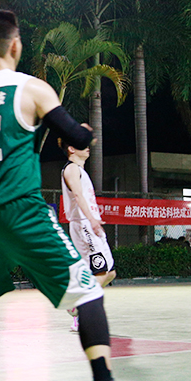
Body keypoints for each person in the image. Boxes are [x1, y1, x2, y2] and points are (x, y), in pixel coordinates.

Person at [0, 9, 162, 381]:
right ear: (15, 45)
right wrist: (83, 133)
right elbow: (76, 136)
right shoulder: (30, 87)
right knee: (88, 292)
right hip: (21, 212)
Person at [59, 140, 116, 332]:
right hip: (84, 224)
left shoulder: (80, 170)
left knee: (110, 273)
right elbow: (77, 195)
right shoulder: (71, 169)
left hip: (90, 225)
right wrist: (91, 220)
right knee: (100, 272)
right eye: (82, 144)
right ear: (71, 149)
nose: (87, 147)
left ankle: (78, 308)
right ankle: (79, 308)